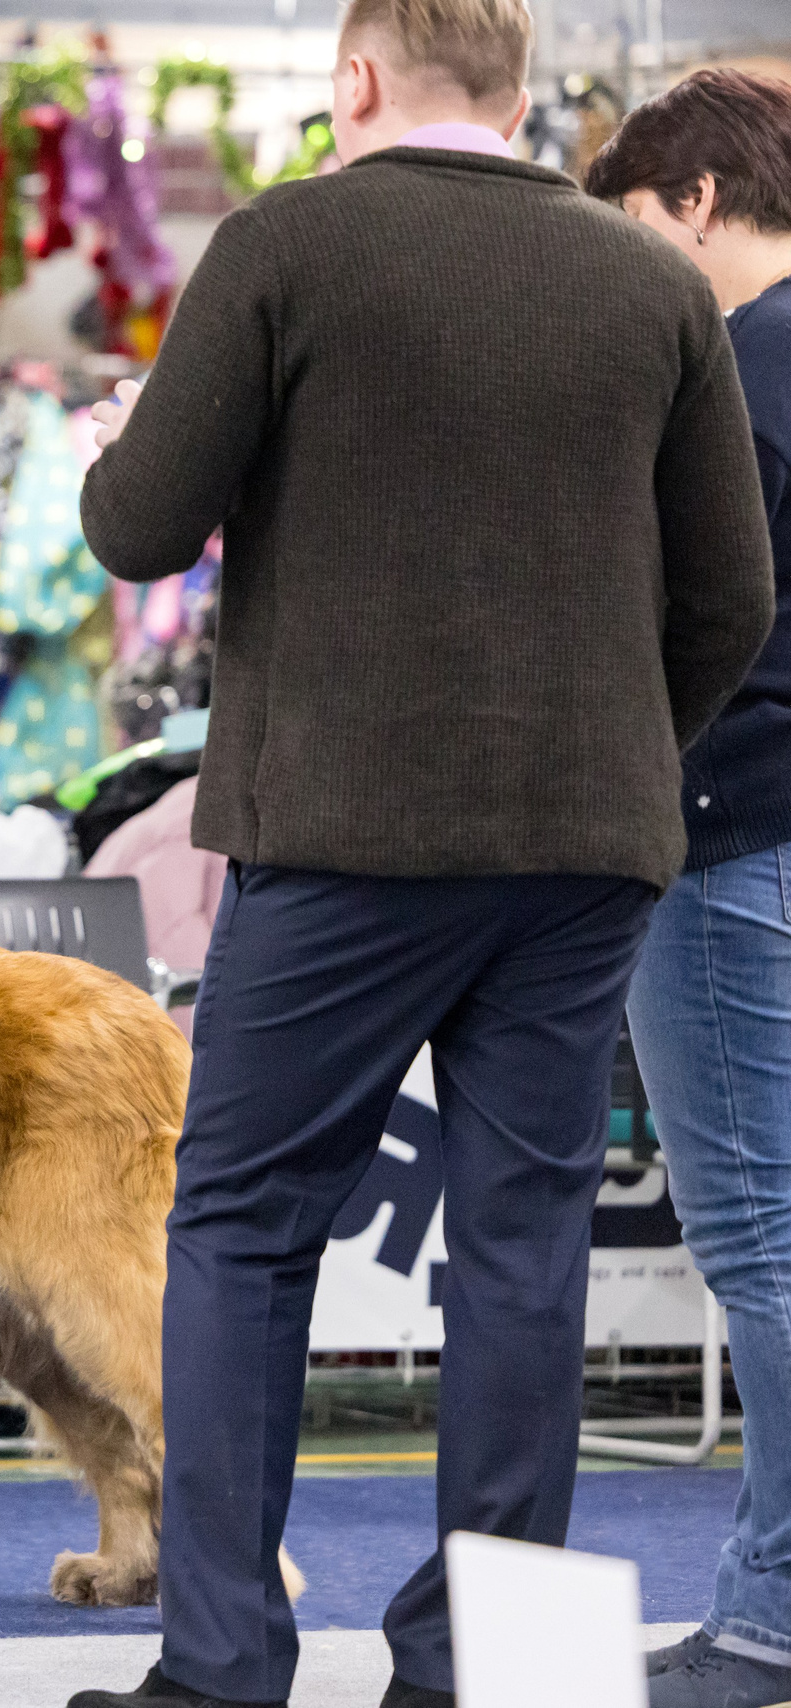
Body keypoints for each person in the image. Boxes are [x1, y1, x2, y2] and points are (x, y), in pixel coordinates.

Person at [61, 0, 776, 1703]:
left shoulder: (288, 243)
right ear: (526, 94)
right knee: (523, 1247)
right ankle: (495, 1668)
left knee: (239, 1225)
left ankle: (225, 1665)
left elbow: (138, 523)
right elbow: (733, 599)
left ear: (361, 79)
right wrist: (617, 752)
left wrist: (117, 455)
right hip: (587, 848)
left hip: (345, 829)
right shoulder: (656, 284)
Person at [584, 68, 791, 1708]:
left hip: (733, 834)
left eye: (636, 225)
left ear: (698, 202)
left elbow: (686, 623)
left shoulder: (731, 370)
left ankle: (774, 1612)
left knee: (768, 1247)